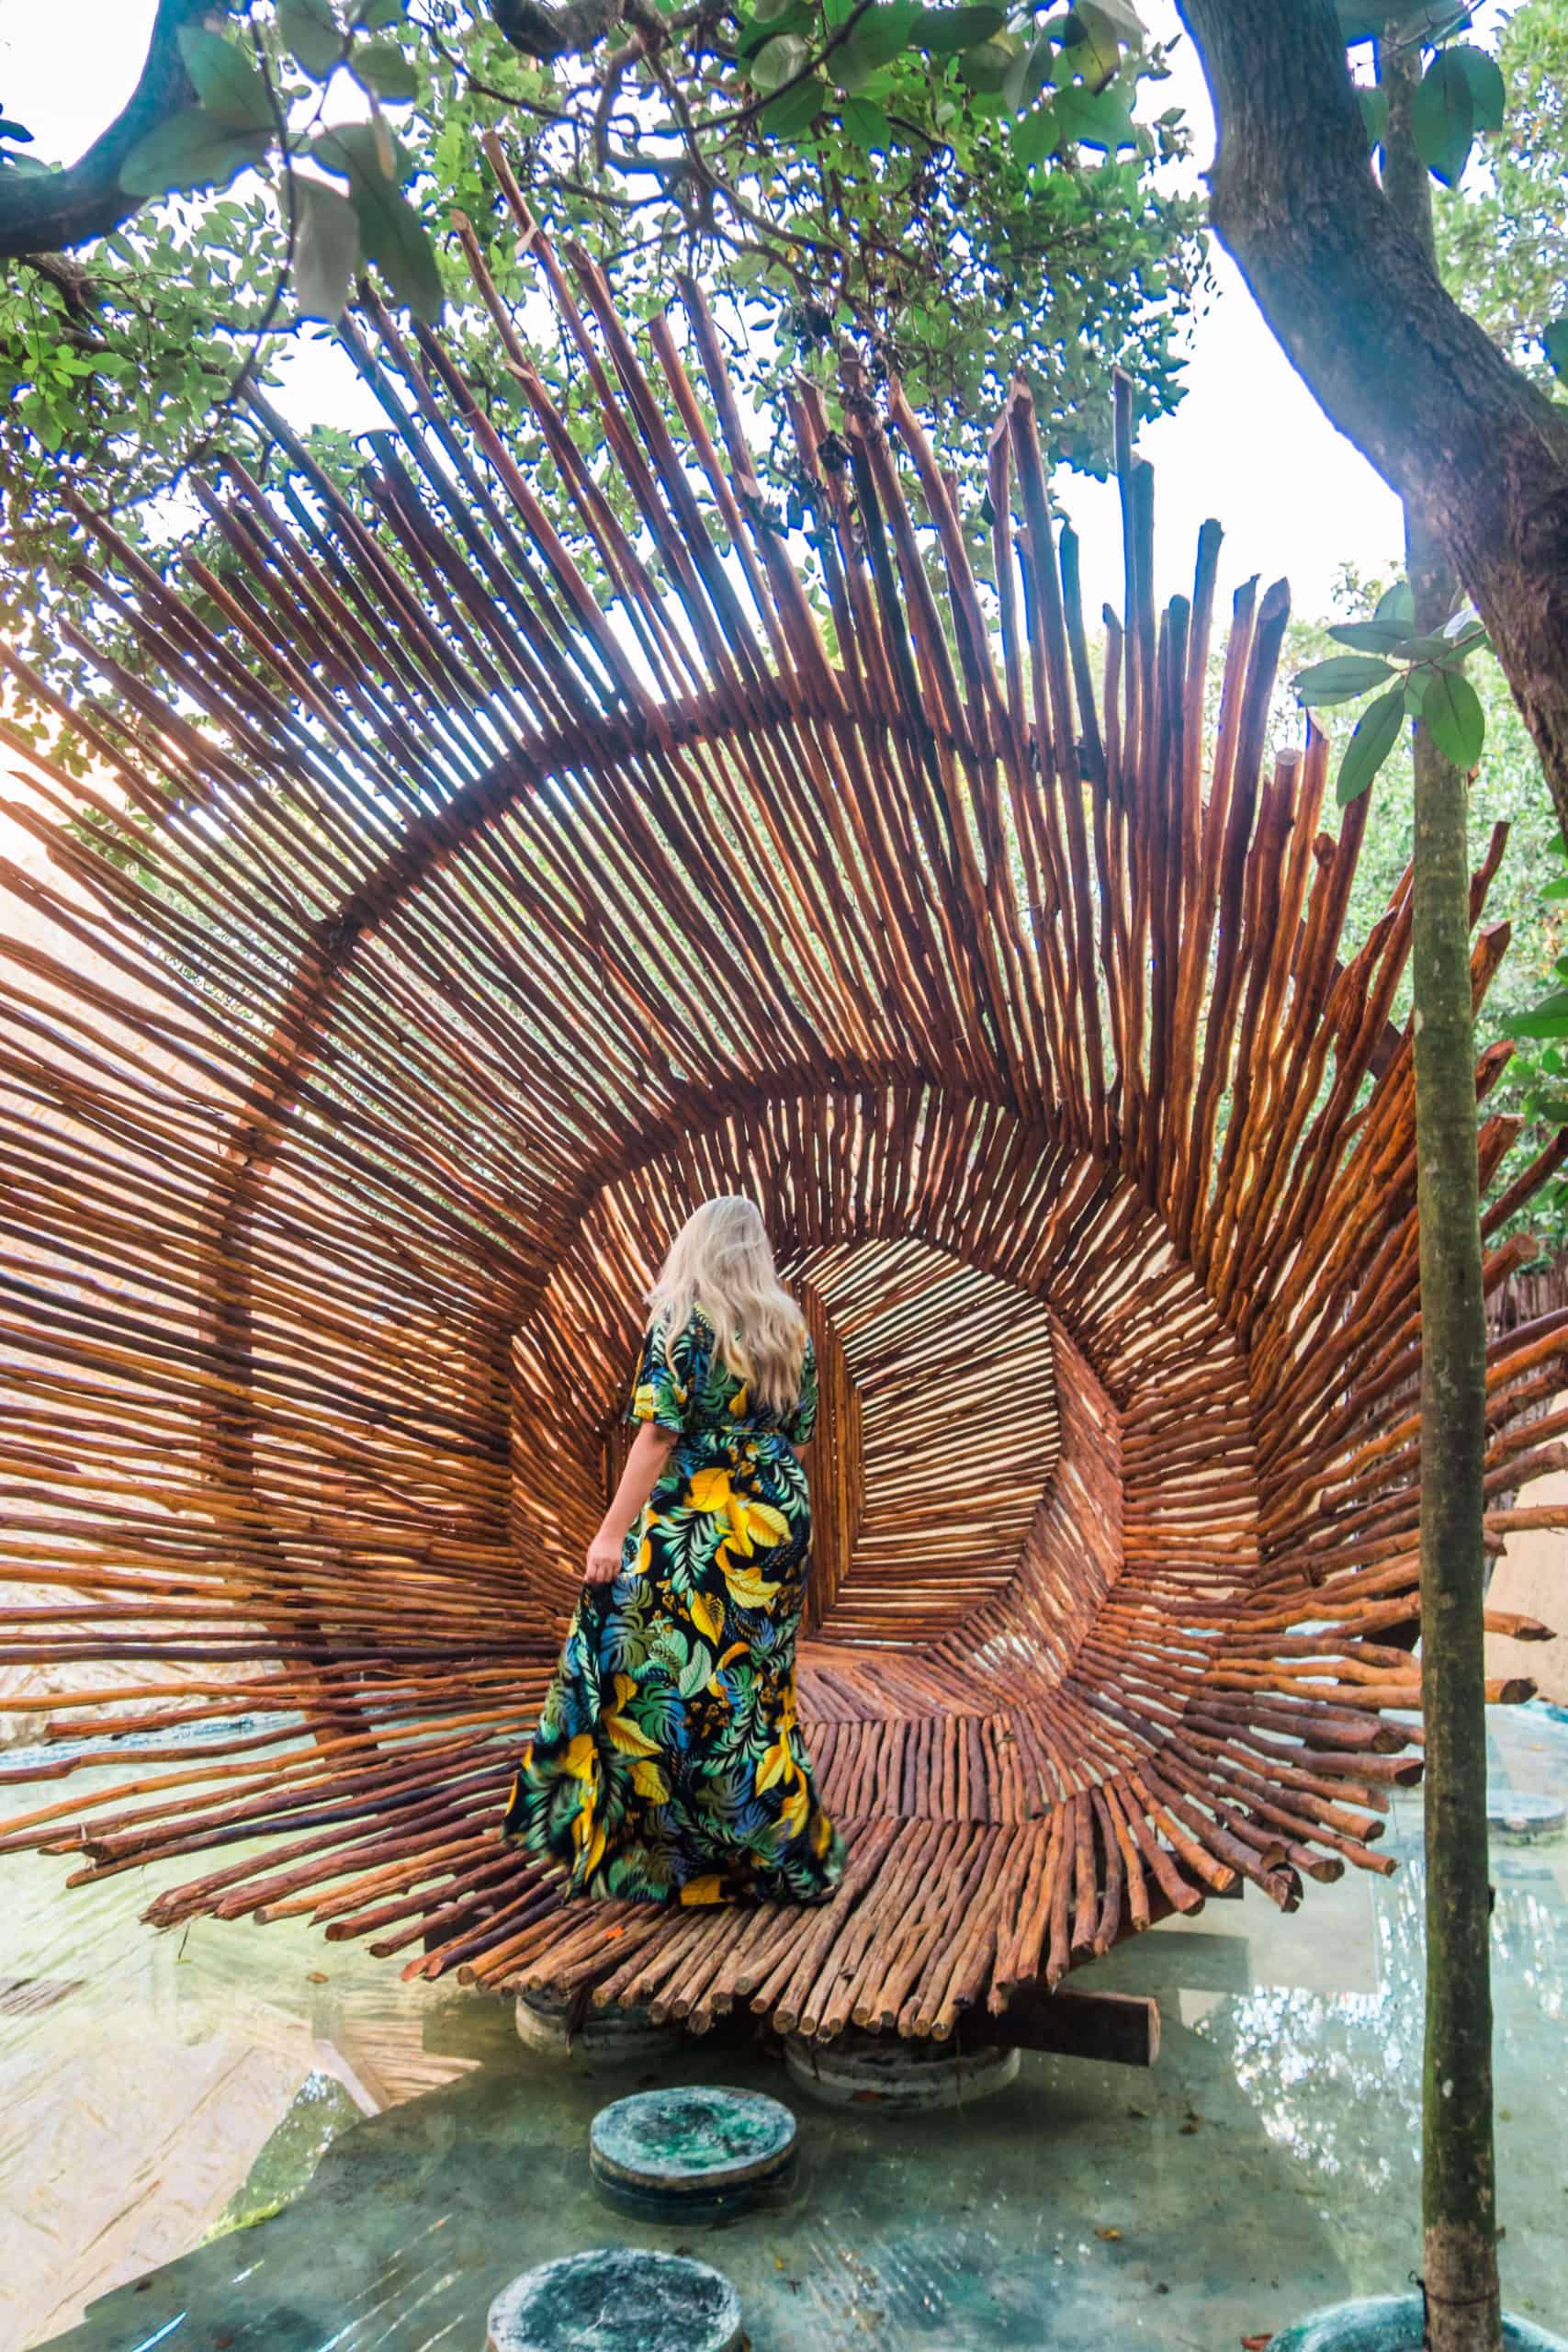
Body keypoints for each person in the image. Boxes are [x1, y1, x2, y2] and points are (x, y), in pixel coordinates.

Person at [502, 1196, 846, 1906]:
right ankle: (764, 1855)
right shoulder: (790, 1329)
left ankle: (661, 1859)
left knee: (651, 1673)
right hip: (775, 1515)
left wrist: (608, 1534)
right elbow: (800, 1436)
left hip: (698, 1516)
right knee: (753, 1692)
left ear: (695, 1247)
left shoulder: (682, 1324)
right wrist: (759, 1481)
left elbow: (657, 1439)